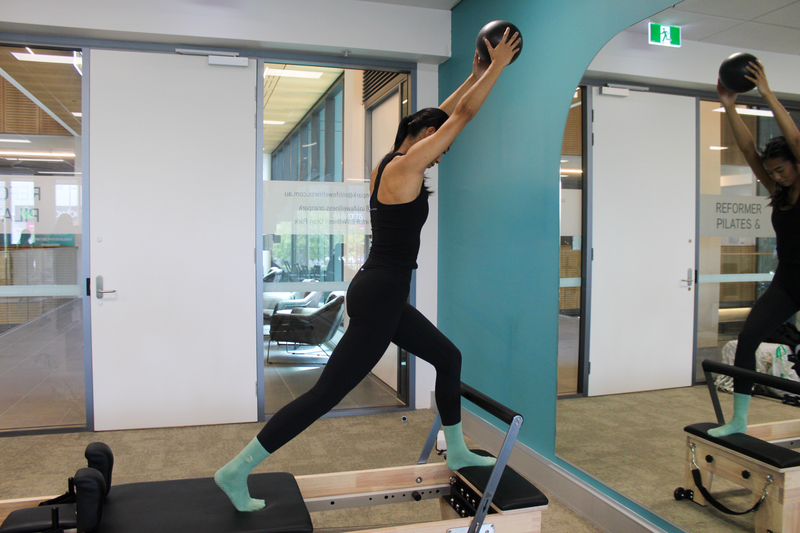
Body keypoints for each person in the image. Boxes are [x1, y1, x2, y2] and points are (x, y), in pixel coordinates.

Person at [215, 29, 521, 512]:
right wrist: (499, 67)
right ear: (422, 139)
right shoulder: (405, 168)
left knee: (448, 357)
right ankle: (236, 470)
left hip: (382, 291)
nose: (440, 155)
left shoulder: (391, 161)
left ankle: (457, 447)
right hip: (380, 295)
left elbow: (445, 113)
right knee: (325, 394)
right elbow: (459, 116)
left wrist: (475, 72)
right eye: (437, 147)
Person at [711, 60, 800, 437]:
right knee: (748, 338)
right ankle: (739, 420)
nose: (776, 176)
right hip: (788, 281)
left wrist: (765, 92)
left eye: (781, 169)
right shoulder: (780, 195)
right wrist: (730, 104)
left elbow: (794, 140)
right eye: (772, 171)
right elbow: (749, 152)